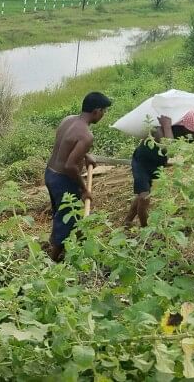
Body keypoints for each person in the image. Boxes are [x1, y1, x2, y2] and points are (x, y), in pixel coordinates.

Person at [45, 92, 111, 262]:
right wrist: (84, 189)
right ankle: (53, 260)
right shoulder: (86, 136)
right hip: (63, 180)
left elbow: (65, 144)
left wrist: (84, 155)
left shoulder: (68, 120)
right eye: (104, 111)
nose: (103, 115)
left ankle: (76, 244)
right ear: (96, 111)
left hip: (50, 174)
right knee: (67, 218)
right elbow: (69, 166)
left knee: (61, 212)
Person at [125, 110, 194, 228]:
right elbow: (170, 150)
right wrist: (166, 127)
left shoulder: (191, 133)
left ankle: (128, 220)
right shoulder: (159, 130)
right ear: (185, 126)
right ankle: (145, 229)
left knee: (143, 194)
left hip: (157, 164)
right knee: (144, 196)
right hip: (142, 163)